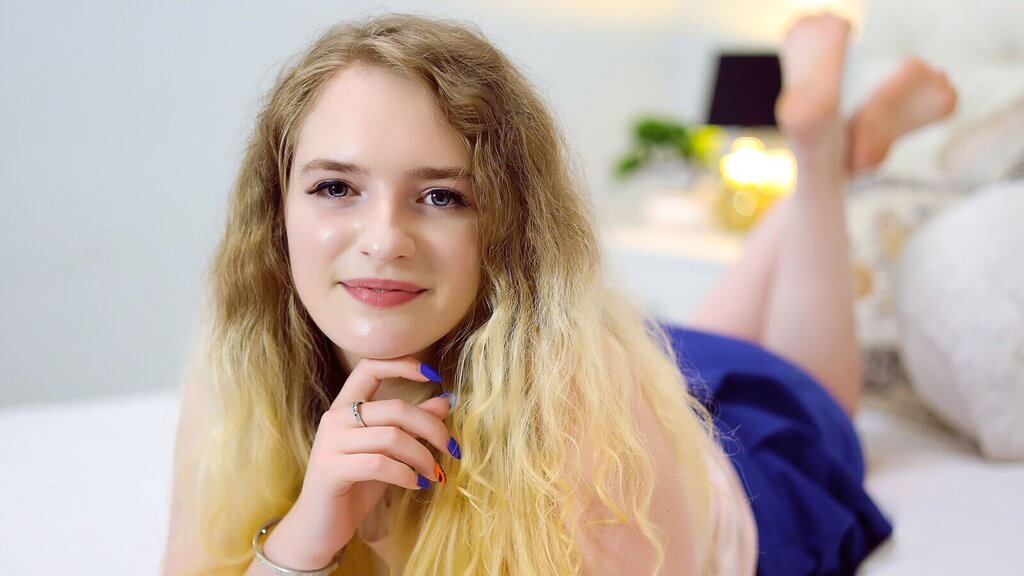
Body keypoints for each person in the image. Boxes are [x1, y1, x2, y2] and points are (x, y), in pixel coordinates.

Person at [161, 11, 955, 576]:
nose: (383, 239)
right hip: (650, 370)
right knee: (677, 353)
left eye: (442, 196)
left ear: (509, 225)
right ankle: (832, 146)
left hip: (721, 473)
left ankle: (818, 152)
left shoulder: (591, 426)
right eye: (336, 187)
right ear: (277, 210)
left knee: (818, 402)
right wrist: (308, 530)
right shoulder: (244, 365)